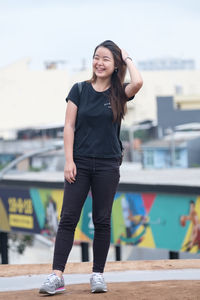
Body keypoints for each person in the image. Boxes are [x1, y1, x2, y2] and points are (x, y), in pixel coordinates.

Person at [39, 40, 143, 295]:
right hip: (80, 163)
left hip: (108, 164)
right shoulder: (79, 90)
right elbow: (69, 126)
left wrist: (127, 58)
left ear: (115, 64)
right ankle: (57, 276)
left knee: (102, 220)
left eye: (106, 59)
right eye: (97, 57)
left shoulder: (119, 92)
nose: (100, 62)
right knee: (68, 219)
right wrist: (69, 160)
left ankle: (97, 275)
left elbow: (138, 82)